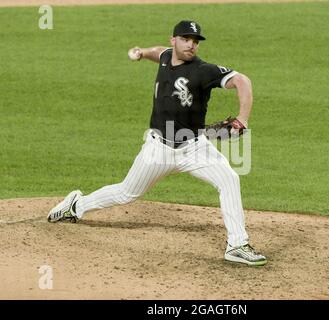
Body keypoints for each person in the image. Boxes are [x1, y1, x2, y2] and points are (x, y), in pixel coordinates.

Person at [48, 20, 267, 266]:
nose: (191, 45)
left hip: (194, 147)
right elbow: (158, 52)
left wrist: (242, 119)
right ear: (174, 40)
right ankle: (76, 205)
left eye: (195, 41)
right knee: (126, 193)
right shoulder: (165, 57)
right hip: (158, 149)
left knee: (229, 178)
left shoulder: (203, 71)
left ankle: (237, 245)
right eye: (185, 39)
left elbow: (242, 81)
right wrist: (142, 53)